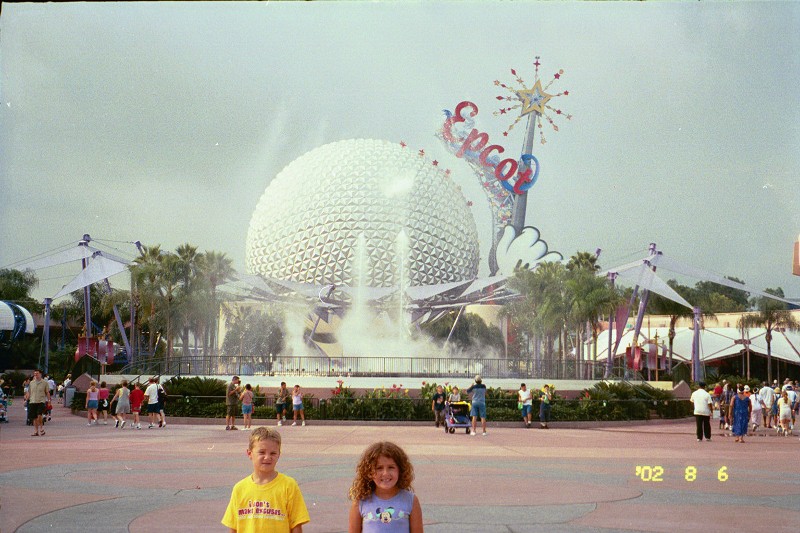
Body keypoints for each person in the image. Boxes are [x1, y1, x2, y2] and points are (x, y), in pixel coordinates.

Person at [222, 427, 310, 533]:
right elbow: (233, 528)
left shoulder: (289, 486)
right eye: (262, 452)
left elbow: (296, 526)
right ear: (249, 453)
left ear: (279, 454)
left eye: (273, 453)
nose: (267, 457)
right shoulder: (239, 489)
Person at [348, 441, 423, 533]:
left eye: (391, 467)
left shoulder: (411, 500)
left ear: (400, 470)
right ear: (369, 472)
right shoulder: (360, 502)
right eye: (379, 468)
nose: (385, 473)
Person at [25, 369, 50, 436]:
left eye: (37, 373)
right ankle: (36, 431)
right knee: (34, 417)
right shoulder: (31, 383)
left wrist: (49, 401)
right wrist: (26, 400)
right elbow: (29, 392)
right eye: (35, 374)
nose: (36, 375)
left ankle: (41, 428)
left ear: (40, 374)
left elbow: (47, 392)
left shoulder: (45, 383)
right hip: (32, 401)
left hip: (41, 401)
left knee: (39, 415)